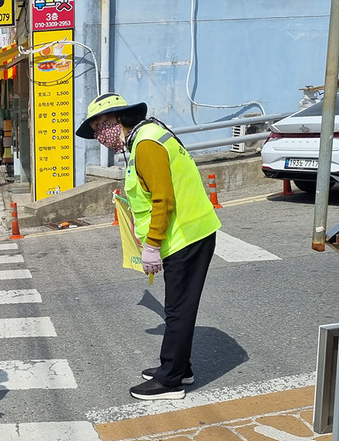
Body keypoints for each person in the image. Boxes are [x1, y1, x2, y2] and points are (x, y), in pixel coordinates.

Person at [76, 93, 221, 401]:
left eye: (99, 127)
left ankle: (170, 382)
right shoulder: (146, 137)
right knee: (178, 307)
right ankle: (181, 368)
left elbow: (163, 199)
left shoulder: (146, 144)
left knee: (178, 309)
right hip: (186, 233)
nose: (99, 136)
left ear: (116, 120)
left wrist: (152, 244)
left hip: (187, 235)